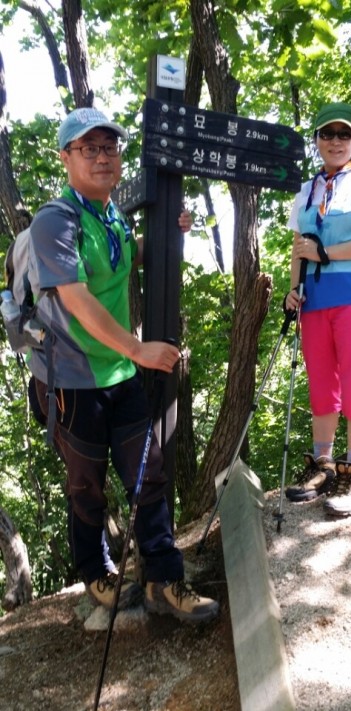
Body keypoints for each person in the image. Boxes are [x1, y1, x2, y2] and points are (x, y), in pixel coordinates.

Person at [27, 106, 219, 623]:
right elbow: (76, 298)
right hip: (71, 382)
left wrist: (171, 233)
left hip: (120, 375)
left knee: (148, 475)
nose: (102, 158)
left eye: (109, 147)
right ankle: (97, 573)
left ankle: (163, 579)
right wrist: (138, 349)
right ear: (66, 157)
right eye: (88, 148)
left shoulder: (112, 216)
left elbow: (125, 258)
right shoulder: (54, 221)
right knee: (86, 485)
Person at [284, 101, 351, 517]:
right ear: (316, 140)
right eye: (327, 133)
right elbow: (299, 248)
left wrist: (326, 253)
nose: (335, 141)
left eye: (344, 133)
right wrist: (293, 290)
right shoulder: (306, 190)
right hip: (314, 302)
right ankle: (324, 465)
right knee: (320, 387)